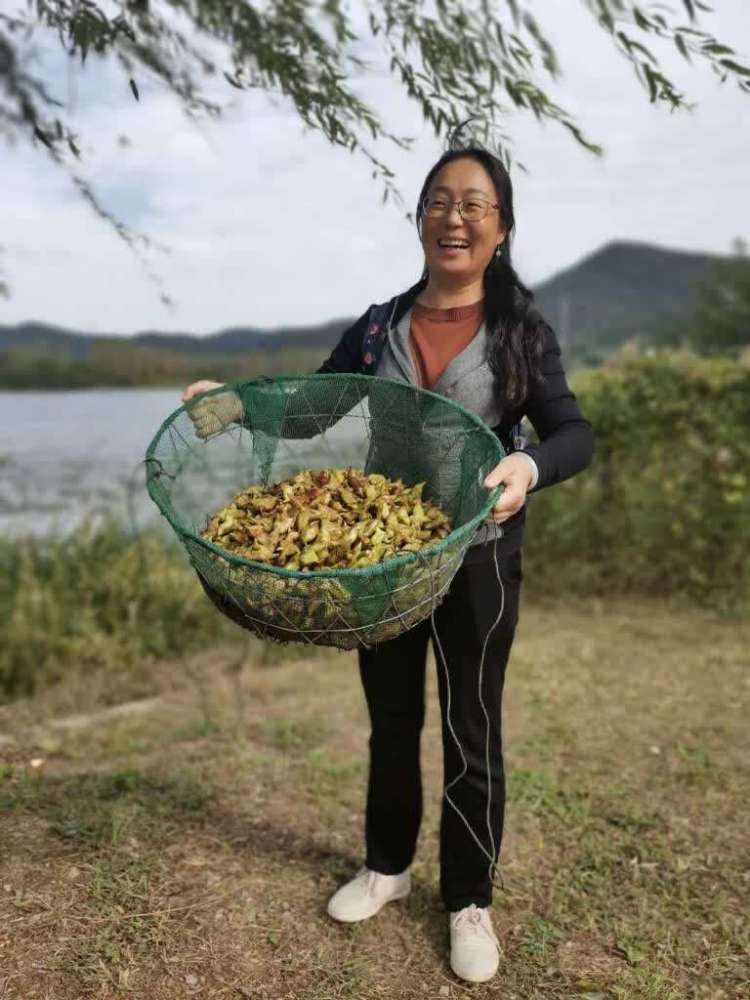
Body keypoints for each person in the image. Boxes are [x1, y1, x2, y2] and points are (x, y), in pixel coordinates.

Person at [182, 131, 594, 984]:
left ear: (502, 229)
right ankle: (387, 867)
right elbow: (311, 409)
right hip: (386, 568)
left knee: (471, 729)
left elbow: (573, 435)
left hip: (479, 555)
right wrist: (234, 408)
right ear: (419, 220)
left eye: (475, 205)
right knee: (392, 722)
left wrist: (528, 466)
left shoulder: (520, 331)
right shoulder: (379, 329)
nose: (456, 217)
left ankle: (469, 901)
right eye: (441, 201)